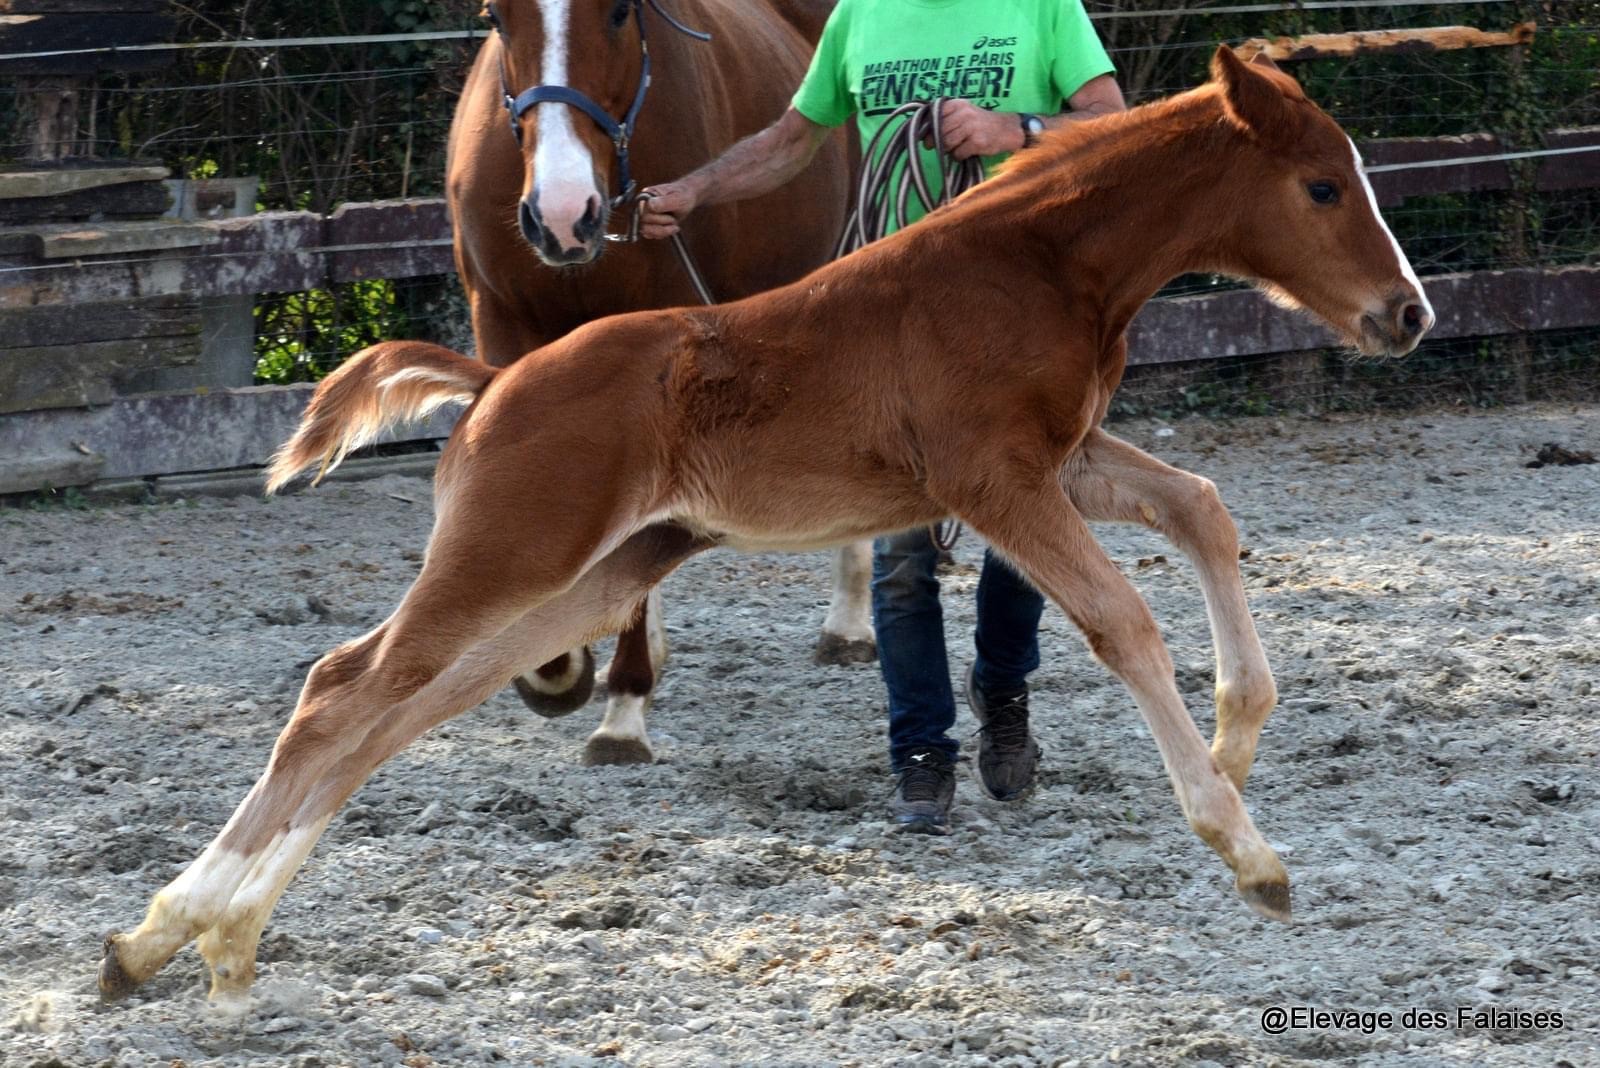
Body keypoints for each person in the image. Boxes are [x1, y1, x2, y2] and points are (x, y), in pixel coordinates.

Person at [641, 0, 1126, 834]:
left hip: (1024, 314)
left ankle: (1003, 694)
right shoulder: (861, 15)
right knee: (902, 553)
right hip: (898, 322)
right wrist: (696, 189)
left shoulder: (1041, 6)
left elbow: (1113, 124)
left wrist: (1017, 129)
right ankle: (920, 751)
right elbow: (791, 140)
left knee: (1029, 531)